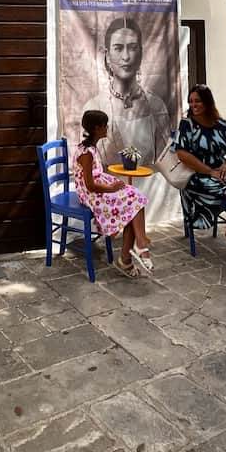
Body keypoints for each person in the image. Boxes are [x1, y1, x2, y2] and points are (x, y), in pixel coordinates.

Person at [174, 84, 226, 274]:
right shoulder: (187, 125)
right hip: (198, 178)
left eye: (197, 100)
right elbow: (181, 154)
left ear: (207, 101)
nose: (193, 104)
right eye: (191, 101)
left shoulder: (221, 124)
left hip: (222, 174)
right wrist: (209, 171)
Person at [72, 109, 153, 278]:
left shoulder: (92, 147)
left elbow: (96, 176)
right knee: (133, 201)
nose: (107, 128)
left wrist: (112, 185)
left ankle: (133, 250)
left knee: (134, 197)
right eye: (104, 125)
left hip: (97, 187)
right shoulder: (86, 153)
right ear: (96, 128)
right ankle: (135, 248)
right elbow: (89, 185)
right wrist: (111, 188)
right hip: (90, 194)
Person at [82, 16, 172, 166]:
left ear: (141, 53)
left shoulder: (156, 105)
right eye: (118, 48)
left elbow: (164, 159)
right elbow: (88, 160)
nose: (126, 57)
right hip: (108, 183)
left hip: (147, 181)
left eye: (132, 47)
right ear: (108, 55)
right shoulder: (94, 107)